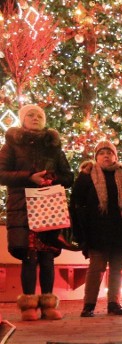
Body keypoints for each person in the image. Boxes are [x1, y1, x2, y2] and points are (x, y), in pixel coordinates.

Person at [0, 104, 74, 321]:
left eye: (39, 115)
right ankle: (29, 305)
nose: (35, 118)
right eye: (30, 115)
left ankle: (49, 303)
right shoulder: (11, 145)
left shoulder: (53, 147)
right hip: (23, 207)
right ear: (22, 119)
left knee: (48, 256)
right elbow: (2, 174)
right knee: (29, 256)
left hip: (48, 206)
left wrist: (53, 179)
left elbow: (68, 176)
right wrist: (29, 177)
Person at [71, 140, 122, 317]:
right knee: (96, 267)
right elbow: (76, 202)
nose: (106, 155)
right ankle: (89, 305)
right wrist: (80, 229)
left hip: (121, 229)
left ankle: (114, 303)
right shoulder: (87, 175)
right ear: (96, 157)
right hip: (96, 229)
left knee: (118, 268)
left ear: (115, 156)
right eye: (102, 153)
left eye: (109, 152)